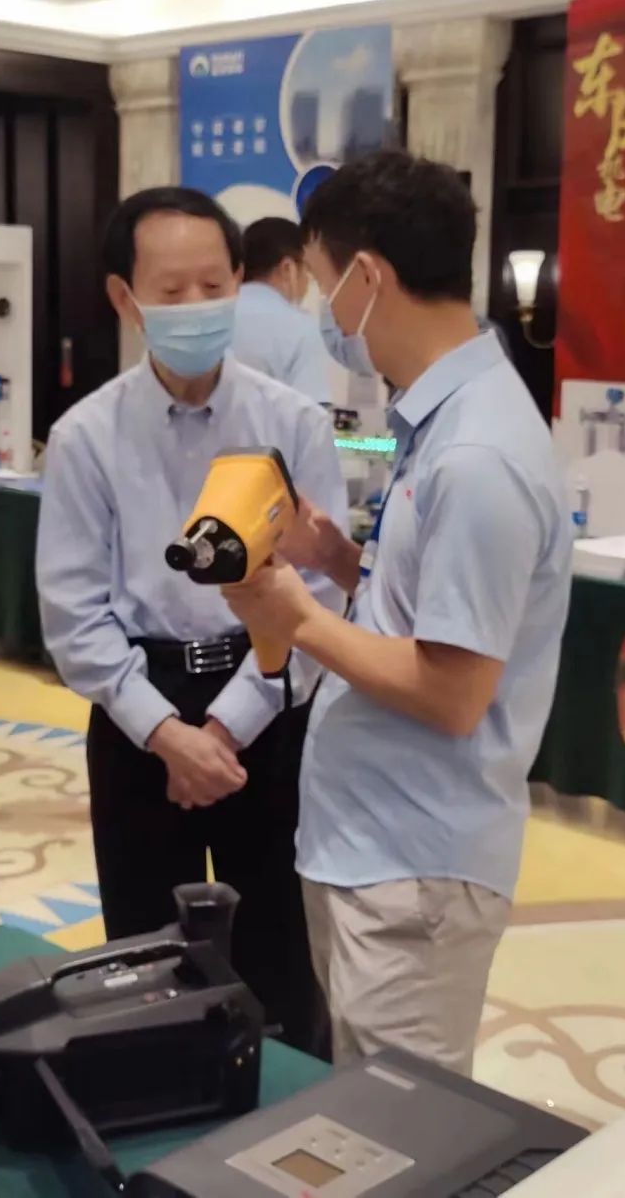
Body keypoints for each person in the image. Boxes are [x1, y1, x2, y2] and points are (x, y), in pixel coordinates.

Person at [223, 149, 572, 1076]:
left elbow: (455, 691)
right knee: (364, 1107)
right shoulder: (445, 424)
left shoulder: (477, 455)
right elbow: (429, 617)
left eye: (326, 287)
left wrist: (299, 618)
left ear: (370, 278)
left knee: (404, 1124)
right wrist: (339, 561)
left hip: (413, 864)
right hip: (373, 844)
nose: (328, 318)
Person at [36, 186, 348, 1055]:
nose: (195, 306)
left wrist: (227, 726)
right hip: (140, 713)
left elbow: (320, 595)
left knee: (280, 953)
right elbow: (73, 614)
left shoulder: (293, 422)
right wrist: (169, 734)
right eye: (170, 291)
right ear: (124, 297)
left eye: (213, 285)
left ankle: (284, 1111)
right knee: (145, 964)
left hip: (267, 700)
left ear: (241, 281)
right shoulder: (85, 437)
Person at [232, 216, 332, 405]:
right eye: (307, 271)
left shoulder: (217, 313)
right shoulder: (300, 327)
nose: (307, 283)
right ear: (288, 268)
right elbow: (311, 413)